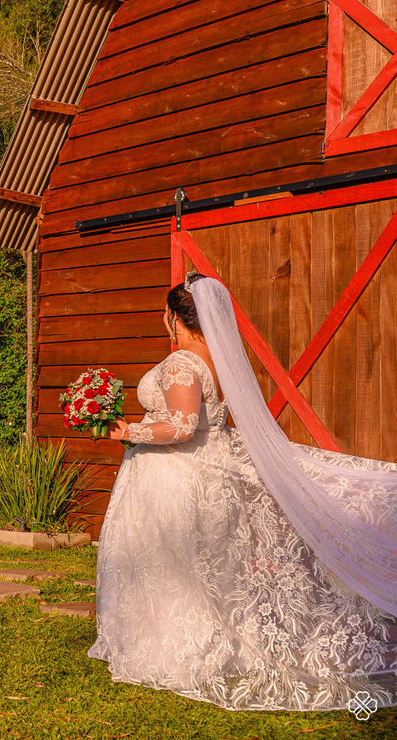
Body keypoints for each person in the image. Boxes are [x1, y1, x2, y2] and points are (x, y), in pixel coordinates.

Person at [96, 273, 397, 711]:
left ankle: (183, 650)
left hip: (177, 477)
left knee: (175, 563)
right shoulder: (219, 360)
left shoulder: (182, 362)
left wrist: (128, 430)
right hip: (207, 477)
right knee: (205, 568)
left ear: (174, 317)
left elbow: (182, 426)